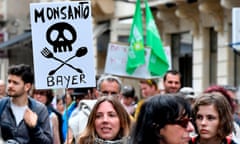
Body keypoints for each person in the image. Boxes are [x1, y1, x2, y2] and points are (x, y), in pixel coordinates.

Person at [0, 64, 52, 143]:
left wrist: (34, 128)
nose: (10, 86)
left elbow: (48, 142)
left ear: (27, 86)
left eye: (15, 83)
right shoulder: (2, 105)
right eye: (9, 81)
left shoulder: (39, 109)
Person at [66, 75, 123, 144]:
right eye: (105, 93)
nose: (109, 97)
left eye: (113, 93)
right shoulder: (80, 116)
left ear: (120, 96)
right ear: (97, 94)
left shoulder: (127, 119)